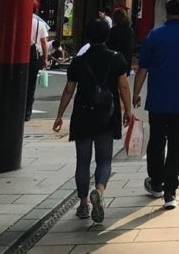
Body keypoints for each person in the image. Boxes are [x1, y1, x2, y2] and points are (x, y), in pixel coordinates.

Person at [133, 0, 179, 210]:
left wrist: (136, 93)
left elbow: (143, 68)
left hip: (157, 99)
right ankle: (170, 193)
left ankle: (156, 182)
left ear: (166, 12)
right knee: (177, 143)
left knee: (156, 141)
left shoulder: (155, 34)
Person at [54, 18, 131, 223]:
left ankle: (82, 204)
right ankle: (99, 191)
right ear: (107, 35)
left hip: (82, 113)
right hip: (106, 114)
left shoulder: (79, 60)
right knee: (104, 159)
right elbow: (123, 87)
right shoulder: (116, 58)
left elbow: (69, 89)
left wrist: (60, 115)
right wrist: (128, 111)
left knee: (83, 160)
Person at [26, 7, 50, 121]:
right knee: (31, 85)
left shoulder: (20, 19)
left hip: (20, 54)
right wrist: (45, 58)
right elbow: (44, 42)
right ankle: (27, 112)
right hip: (34, 56)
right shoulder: (39, 23)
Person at [108, 7, 134, 75]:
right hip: (126, 60)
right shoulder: (129, 30)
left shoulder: (112, 31)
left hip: (114, 62)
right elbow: (130, 48)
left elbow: (109, 47)